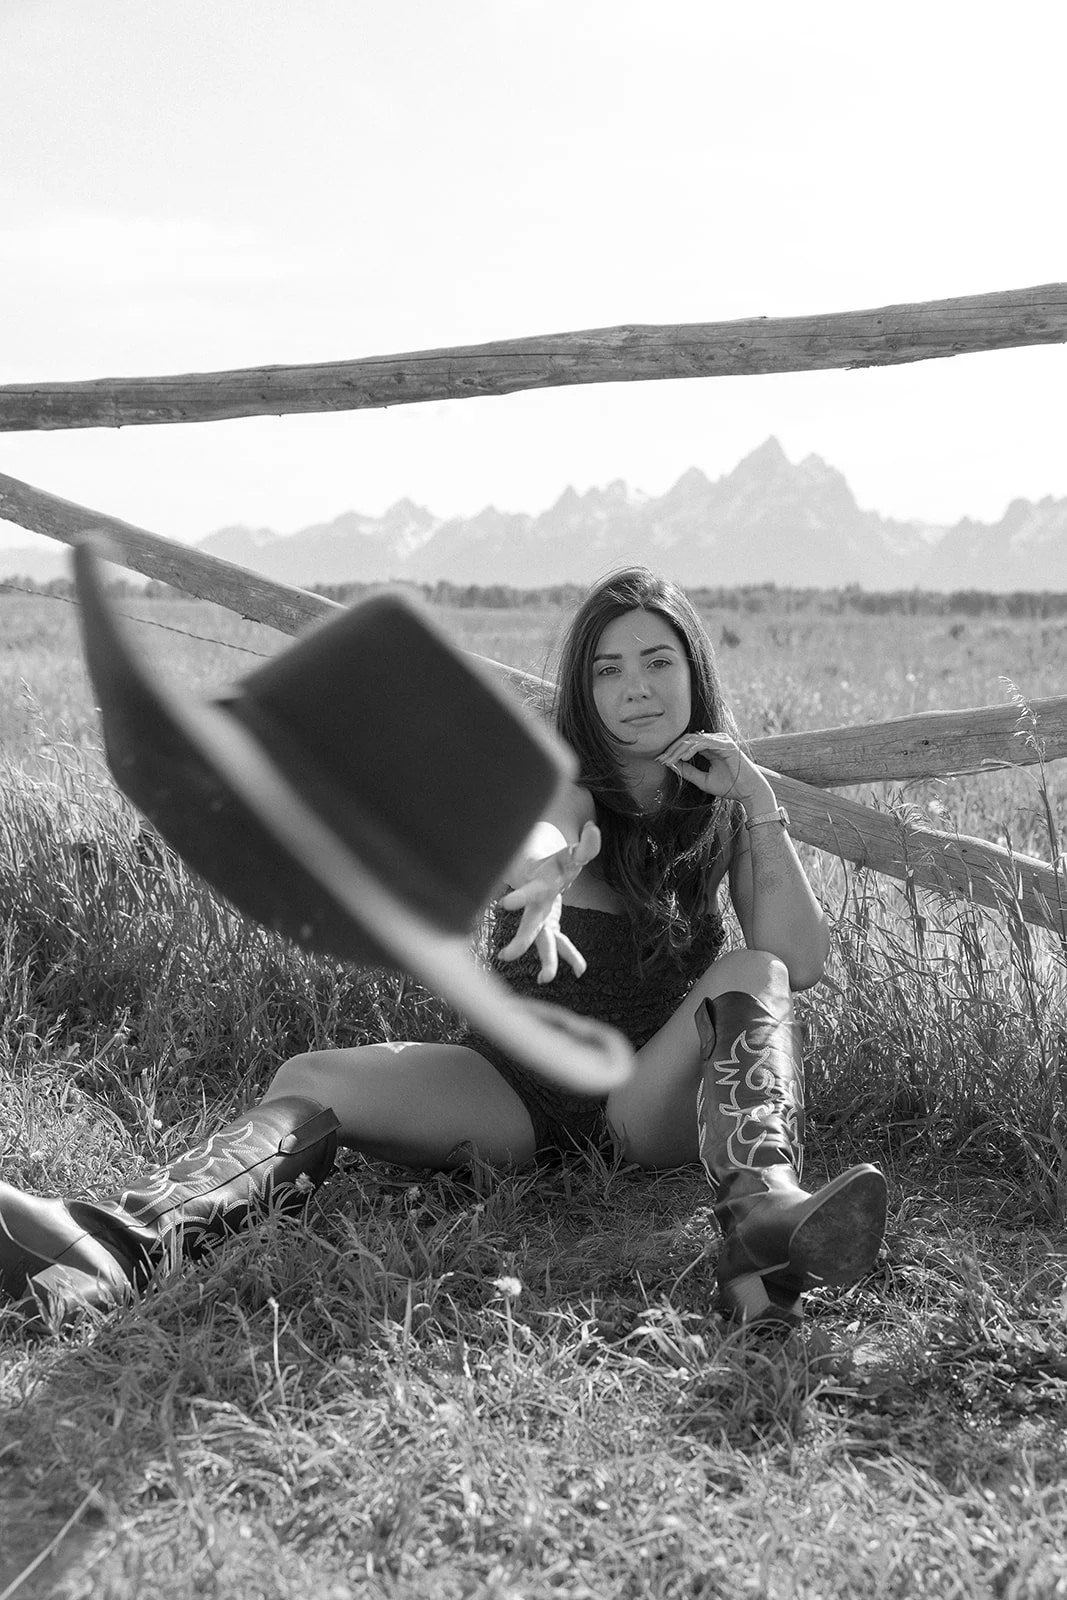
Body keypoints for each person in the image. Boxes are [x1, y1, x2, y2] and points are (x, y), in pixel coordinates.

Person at [0, 566, 885, 1330]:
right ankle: (116, 1248)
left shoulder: (720, 815)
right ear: (586, 689)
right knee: (312, 1078)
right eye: (609, 669)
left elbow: (795, 962)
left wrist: (757, 802)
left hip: (637, 1104)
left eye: (658, 662)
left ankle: (762, 1227)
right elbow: (546, 831)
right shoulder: (567, 787)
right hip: (510, 1092)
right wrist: (541, 870)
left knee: (752, 969)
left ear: (694, 672)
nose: (636, 689)